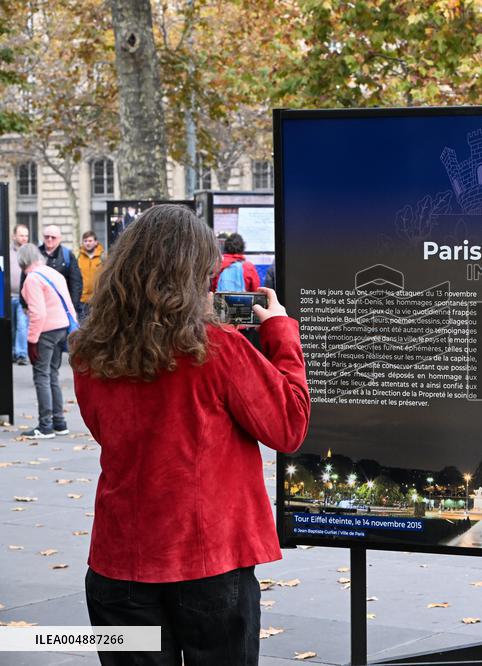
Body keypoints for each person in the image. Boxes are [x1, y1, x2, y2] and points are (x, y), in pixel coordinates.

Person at [70, 204, 309, 665]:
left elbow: (109, 433)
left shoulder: (89, 351)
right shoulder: (219, 350)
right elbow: (290, 425)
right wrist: (279, 331)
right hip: (209, 562)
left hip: (120, 564)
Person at [18, 243, 77, 439]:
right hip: (62, 329)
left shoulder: (32, 279)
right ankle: (59, 422)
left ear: (22, 261)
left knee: (41, 376)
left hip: (46, 331)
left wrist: (31, 340)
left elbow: (38, 313)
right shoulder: (53, 273)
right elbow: (68, 302)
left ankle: (45, 426)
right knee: (52, 374)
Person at [36, 225, 83, 314]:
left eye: (53, 237)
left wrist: (72, 306)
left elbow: (76, 283)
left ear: (59, 239)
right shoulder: (35, 253)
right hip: (39, 304)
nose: (49, 239)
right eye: (47, 237)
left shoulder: (67, 255)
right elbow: (26, 276)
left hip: (61, 306)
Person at [9, 223, 29, 365]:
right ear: (14, 236)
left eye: (26, 235)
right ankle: (11, 352)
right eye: (21, 235)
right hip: (8, 295)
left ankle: (21, 354)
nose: (24, 238)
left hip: (24, 297)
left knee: (22, 326)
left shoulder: (29, 253)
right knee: (10, 327)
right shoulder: (6, 251)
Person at [76, 230, 104, 322]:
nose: (87, 243)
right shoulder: (78, 256)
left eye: (90, 241)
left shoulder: (102, 257)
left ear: (96, 242)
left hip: (97, 298)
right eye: (85, 241)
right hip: (82, 299)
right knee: (82, 325)